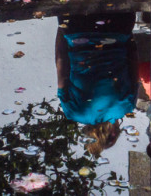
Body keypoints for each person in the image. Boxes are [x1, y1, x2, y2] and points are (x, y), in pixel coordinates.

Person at [55, 13, 138, 156]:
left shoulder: (126, 107)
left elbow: (133, 60)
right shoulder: (73, 112)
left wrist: (127, 35)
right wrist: (63, 30)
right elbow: (61, 63)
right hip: (77, 30)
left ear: (113, 131)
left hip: (118, 28)